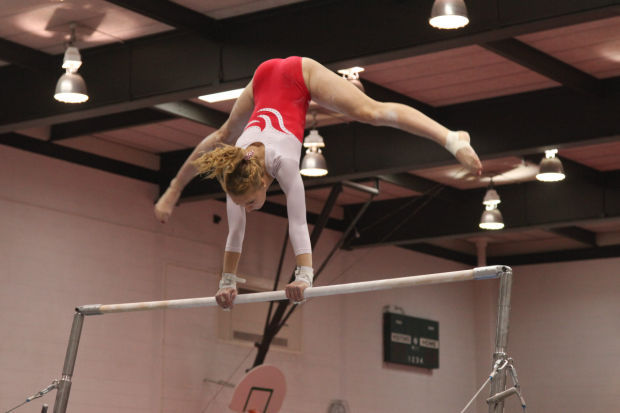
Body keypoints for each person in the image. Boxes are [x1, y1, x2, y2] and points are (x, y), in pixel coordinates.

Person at [154, 56, 482, 309]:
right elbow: (235, 231)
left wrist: (305, 277)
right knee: (225, 134)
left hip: (299, 74)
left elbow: (298, 224)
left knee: (369, 112)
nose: (247, 209)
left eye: (250, 203)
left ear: (262, 184)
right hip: (264, 79)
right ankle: (174, 187)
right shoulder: (236, 173)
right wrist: (226, 282)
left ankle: (451, 138)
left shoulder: (283, 164)